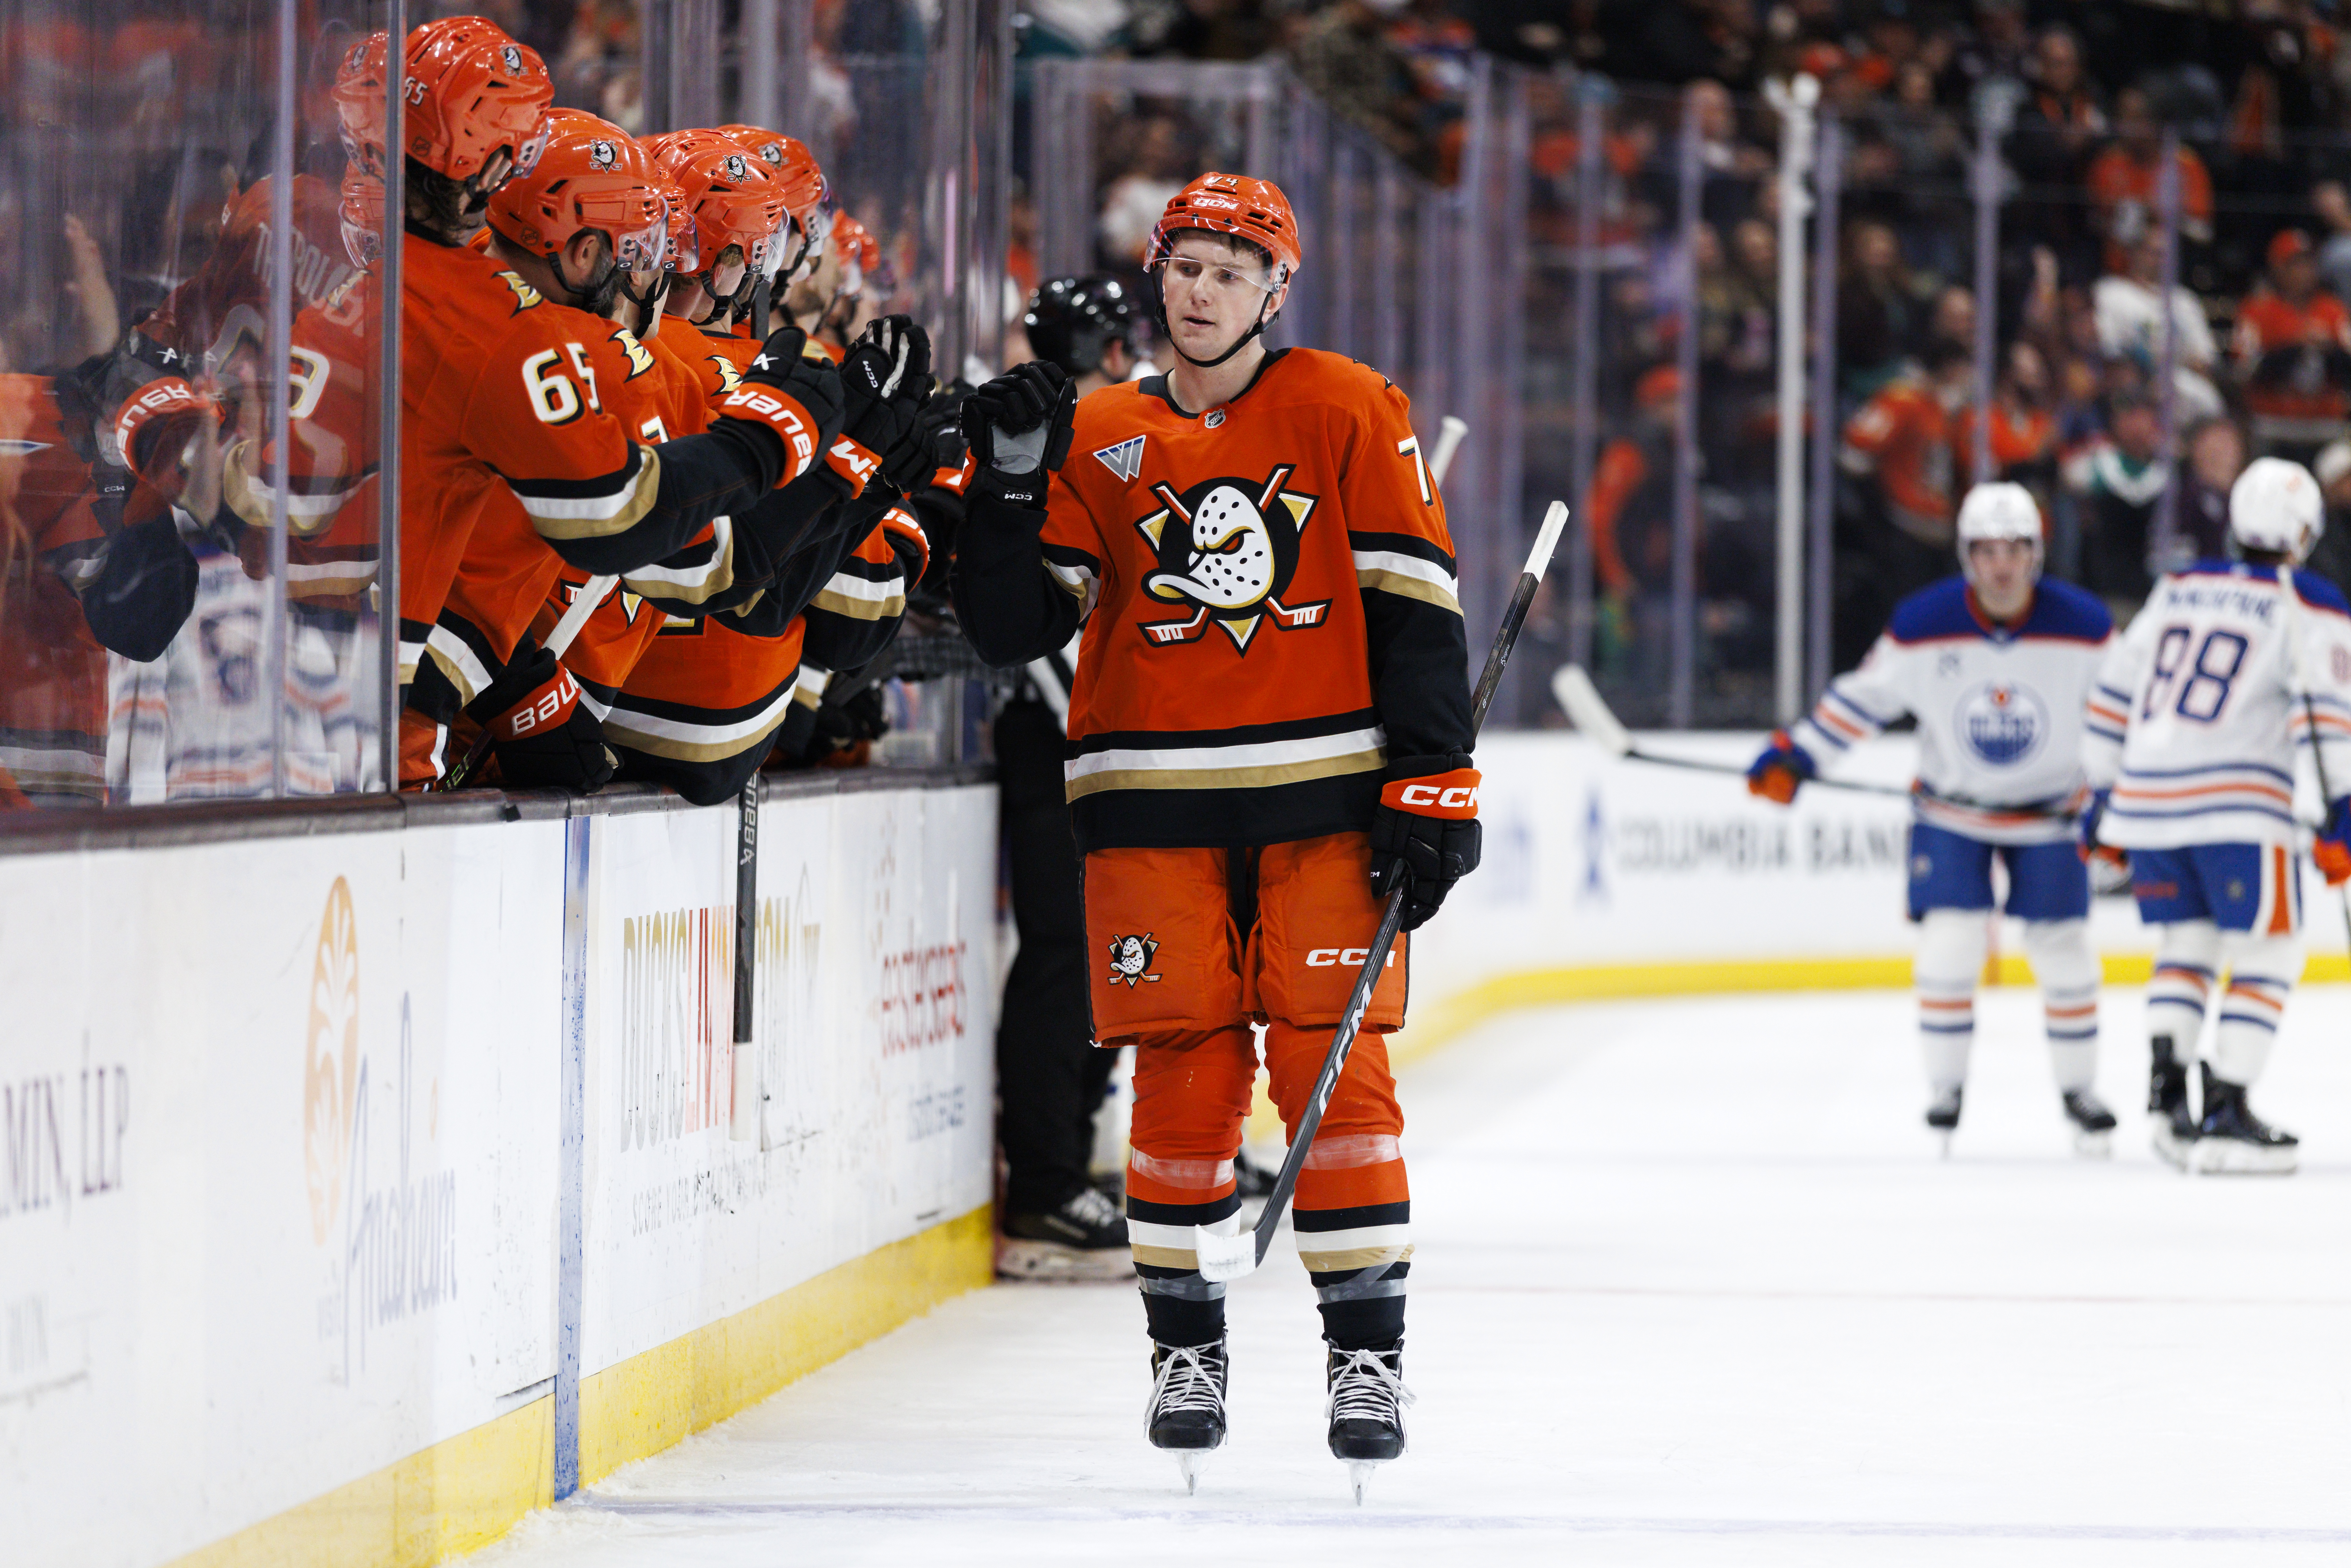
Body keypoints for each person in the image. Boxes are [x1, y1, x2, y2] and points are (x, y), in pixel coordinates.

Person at [952, 174, 1477, 1487]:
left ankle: (1367, 1357)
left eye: (1231, 272)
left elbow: (1415, 610)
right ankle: (1184, 1350)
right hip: (1151, 811)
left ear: (1275, 290)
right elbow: (1016, 626)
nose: (1200, 291)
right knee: (1183, 1084)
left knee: (1332, 1082)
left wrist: (1433, 780)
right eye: (1184, 266)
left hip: (1324, 806)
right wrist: (1009, 485)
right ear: (1157, 274)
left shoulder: (1350, 407)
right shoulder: (1095, 429)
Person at [1748, 483, 2119, 1150]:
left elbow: (2131, 712)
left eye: (2015, 550)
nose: (2001, 566)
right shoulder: (1923, 623)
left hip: (2051, 819)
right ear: (1965, 556)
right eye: (1986, 551)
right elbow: (1862, 700)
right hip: (1952, 815)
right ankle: (1945, 1095)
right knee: (1948, 948)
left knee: (2065, 955)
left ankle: (2078, 1092)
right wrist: (1799, 753)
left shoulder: (2087, 627)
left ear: (2037, 554)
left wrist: (2118, 795)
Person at [2080, 458, 2351, 1173]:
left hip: (2147, 804)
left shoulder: (2178, 587)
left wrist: (2099, 798)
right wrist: (2343, 814)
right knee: (2270, 950)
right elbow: (2328, 717)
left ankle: (2170, 1099)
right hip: (2239, 806)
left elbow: (2111, 691)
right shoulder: (2308, 600)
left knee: (2186, 944)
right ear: (2304, 531)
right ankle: (2227, 1108)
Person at [991, 274, 1152, 1279]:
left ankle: (1070, 1160)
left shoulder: (1074, 418)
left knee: (1093, 954)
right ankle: (1047, 1184)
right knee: (1067, 955)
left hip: (1080, 730)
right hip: (1060, 731)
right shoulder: (1082, 424)